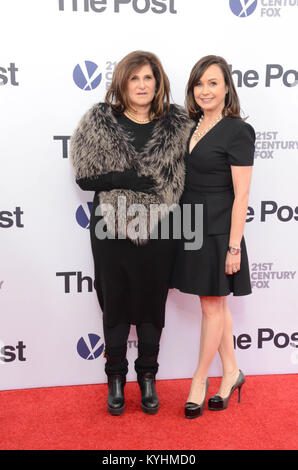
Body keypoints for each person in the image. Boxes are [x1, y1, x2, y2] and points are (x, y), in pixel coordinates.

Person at [70, 51, 193, 416]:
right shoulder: (100, 120)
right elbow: (83, 175)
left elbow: (196, 173)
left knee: (152, 305)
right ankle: (115, 379)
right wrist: (125, 179)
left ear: (158, 83)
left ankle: (148, 378)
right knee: (116, 302)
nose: (142, 85)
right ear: (122, 83)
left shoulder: (179, 124)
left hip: (162, 230)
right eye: (134, 78)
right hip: (111, 230)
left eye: (148, 78)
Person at [172, 55, 255, 419]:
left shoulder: (238, 130)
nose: (205, 90)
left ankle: (199, 380)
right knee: (215, 304)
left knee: (212, 305)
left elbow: (243, 194)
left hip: (220, 229)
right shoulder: (190, 126)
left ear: (226, 88)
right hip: (191, 223)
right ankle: (233, 372)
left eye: (213, 83)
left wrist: (234, 245)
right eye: (199, 84)